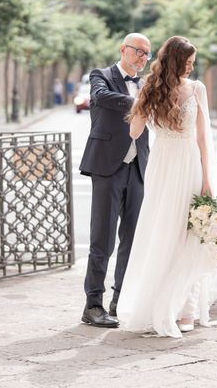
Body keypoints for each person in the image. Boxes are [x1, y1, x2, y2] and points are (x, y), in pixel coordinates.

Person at [116, 36, 217, 337]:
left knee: (193, 235)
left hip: (185, 165)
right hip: (167, 167)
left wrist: (207, 179)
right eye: (188, 63)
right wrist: (141, 99)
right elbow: (134, 129)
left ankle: (187, 310)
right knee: (166, 235)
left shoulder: (194, 88)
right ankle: (168, 307)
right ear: (175, 61)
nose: (191, 68)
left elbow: (203, 138)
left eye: (193, 63)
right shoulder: (151, 88)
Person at [79, 33, 151, 329]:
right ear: (123, 49)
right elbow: (100, 98)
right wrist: (139, 101)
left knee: (132, 240)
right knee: (102, 241)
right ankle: (92, 305)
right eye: (138, 51)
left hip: (137, 168)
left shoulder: (146, 85)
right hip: (107, 168)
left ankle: (119, 301)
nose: (142, 58)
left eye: (147, 54)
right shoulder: (102, 76)